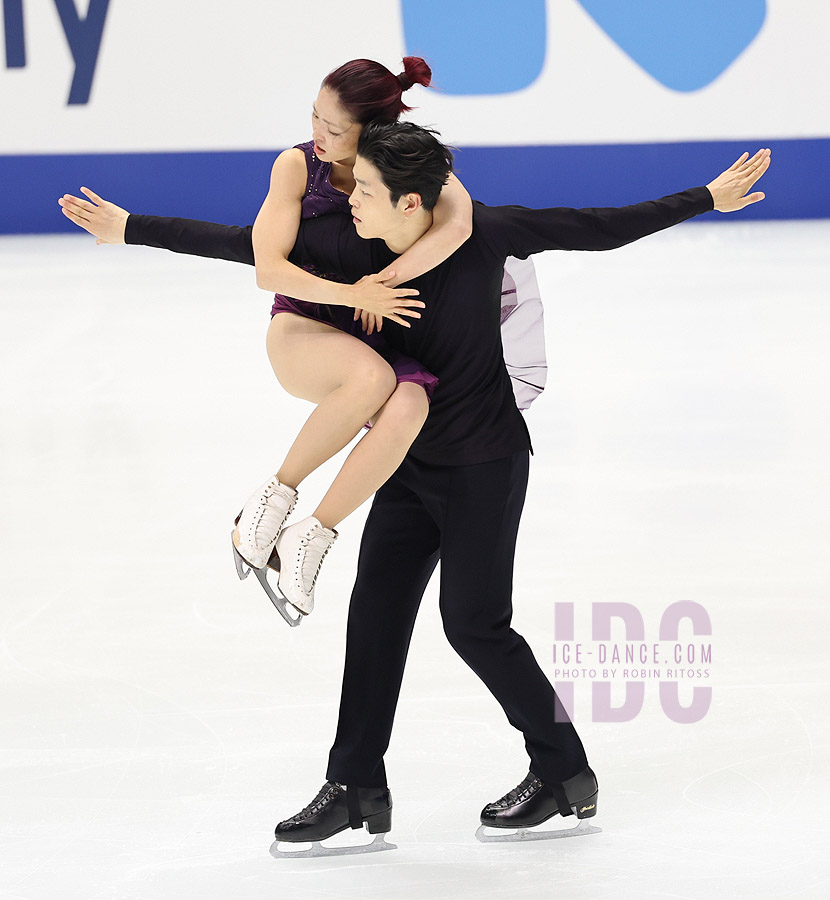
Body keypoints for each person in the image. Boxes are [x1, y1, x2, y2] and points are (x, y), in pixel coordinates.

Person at [92, 121, 770, 848]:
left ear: (413, 204)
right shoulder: (352, 243)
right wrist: (129, 228)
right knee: (376, 613)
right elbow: (246, 245)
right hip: (410, 464)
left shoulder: (486, 235)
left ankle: (565, 769)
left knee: (474, 624)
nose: (352, 200)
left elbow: (598, 227)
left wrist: (705, 196)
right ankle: (355, 785)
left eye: (370, 192)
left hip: (484, 462)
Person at [60, 58, 472, 623]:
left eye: (334, 128)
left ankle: (309, 537)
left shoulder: (400, 168)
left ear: (371, 133)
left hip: (367, 330)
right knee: (374, 378)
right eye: (314, 118)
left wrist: (383, 285)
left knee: (411, 402)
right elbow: (265, 267)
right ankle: (271, 500)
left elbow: (458, 223)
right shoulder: (297, 166)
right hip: (302, 327)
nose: (318, 136)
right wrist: (360, 295)